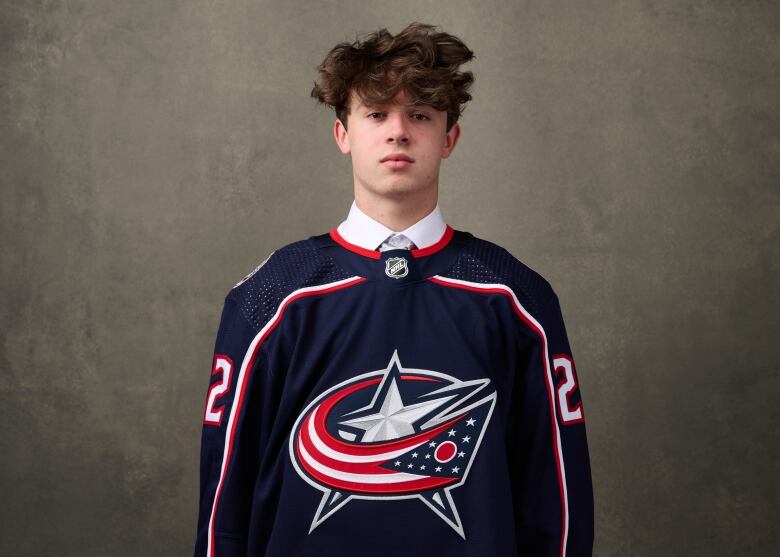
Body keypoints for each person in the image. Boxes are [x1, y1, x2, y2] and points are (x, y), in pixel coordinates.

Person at [194, 22, 593, 557]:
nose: (398, 131)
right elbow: (225, 505)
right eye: (377, 114)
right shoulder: (271, 298)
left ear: (449, 138)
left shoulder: (516, 298)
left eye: (421, 115)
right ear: (343, 134)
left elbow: (557, 503)